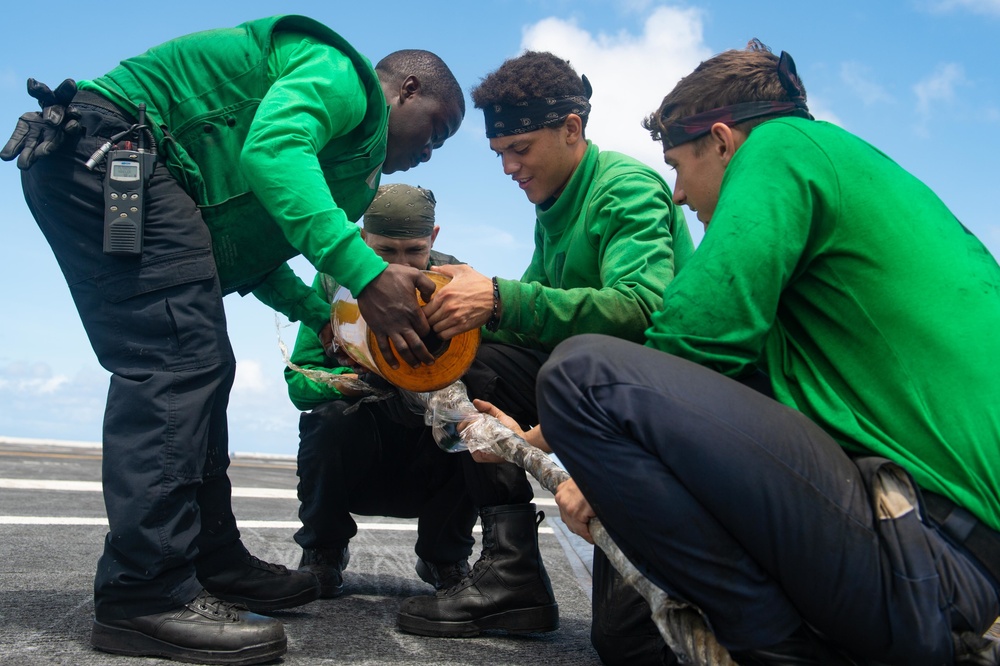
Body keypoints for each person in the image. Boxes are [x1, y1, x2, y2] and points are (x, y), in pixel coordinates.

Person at [0, 15, 465, 665]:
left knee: (200, 357)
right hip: (113, 152)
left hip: (128, 166)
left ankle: (210, 559)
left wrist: (320, 312)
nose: (427, 152)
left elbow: (240, 250)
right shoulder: (342, 78)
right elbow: (272, 153)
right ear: (407, 90)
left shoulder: (344, 160)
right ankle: (142, 593)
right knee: (175, 358)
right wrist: (366, 276)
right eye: (436, 132)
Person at [528, 40, 1000, 664]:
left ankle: (777, 654)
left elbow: (695, 333)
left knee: (580, 379)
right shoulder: (858, 178)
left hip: (928, 559)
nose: (676, 194)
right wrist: (538, 441)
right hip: (954, 561)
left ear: (723, 142)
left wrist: (590, 464)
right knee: (630, 638)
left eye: (676, 165)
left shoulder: (781, 148)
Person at [396, 51, 695, 659]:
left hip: (655, 416)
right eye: (499, 152)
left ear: (572, 129)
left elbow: (642, 309)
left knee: (629, 643)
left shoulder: (625, 188)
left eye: (521, 148)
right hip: (592, 398)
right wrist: (432, 327)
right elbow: (525, 326)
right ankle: (513, 577)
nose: (508, 166)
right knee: (468, 362)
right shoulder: (552, 205)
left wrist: (498, 298)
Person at [286, 183, 477, 598]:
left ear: (434, 238)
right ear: (360, 240)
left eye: (414, 250)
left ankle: (444, 557)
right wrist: (359, 382)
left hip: (430, 453)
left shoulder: (458, 285)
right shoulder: (333, 283)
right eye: (385, 251)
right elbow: (299, 383)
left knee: (476, 420)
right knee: (327, 420)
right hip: (363, 453)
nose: (401, 265)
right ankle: (323, 551)